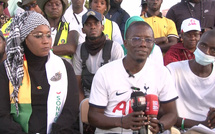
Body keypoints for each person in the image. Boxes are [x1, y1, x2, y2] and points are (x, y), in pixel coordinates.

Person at [88, 21, 178, 133]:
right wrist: (121, 122)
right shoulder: (104, 73)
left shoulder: (162, 72)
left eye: (149, 40)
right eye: (136, 39)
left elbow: (172, 113)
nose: (143, 44)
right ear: (125, 43)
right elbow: (93, 116)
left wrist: (160, 125)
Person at [0, 11, 79, 134]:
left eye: (48, 35)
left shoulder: (64, 68)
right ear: (24, 39)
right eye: (38, 36)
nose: (46, 41)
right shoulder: (7, 70)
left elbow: (70, 111)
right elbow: (2, 116)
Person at [166, 29, 215, 132]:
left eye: (213, 50)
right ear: (197, 44)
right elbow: (163, 112)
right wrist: (201, 124)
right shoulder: (173, 70)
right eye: (203, 45)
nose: (206, 52)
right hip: (177, 129)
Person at [73, 9, 124, 104]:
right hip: (88, 98)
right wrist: (82, 107)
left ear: (103, 27)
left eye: (96, 23)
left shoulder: (114, 48)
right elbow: (78, 84)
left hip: (111, 98)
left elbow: (120, 80)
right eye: (88, 24)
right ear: (83, 30)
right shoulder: (79, 50)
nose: (92, 27)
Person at [37, 0, 79, 64]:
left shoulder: (71, 26)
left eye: (57, 4)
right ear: (44, 9)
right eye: (49, 5)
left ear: (62, 7)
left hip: (65, 69)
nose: (54, 7)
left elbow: (71, 47)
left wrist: (47, 50)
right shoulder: (38, 28)